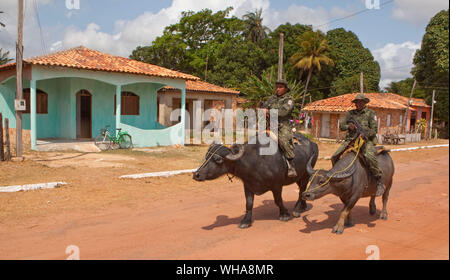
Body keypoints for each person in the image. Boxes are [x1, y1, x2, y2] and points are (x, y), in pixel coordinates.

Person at [331, 93, 385, 196]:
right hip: (351, 139)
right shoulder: (350, 114)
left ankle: (378, 181)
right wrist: (348, 127)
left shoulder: (370, 113)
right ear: (355, 103)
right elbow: (342, 126)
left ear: (365, 103)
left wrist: (365, 134)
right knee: (334, 156)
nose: (359, 104)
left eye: (361, 102)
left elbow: (374, 130)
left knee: (369, 157)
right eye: (357, 102)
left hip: (366, 140)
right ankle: (337, 177)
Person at [261, 79, 297, 177]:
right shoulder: (271, 99)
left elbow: (283, 112)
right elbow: (264, 107)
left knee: (283, 141)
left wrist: (268, 112)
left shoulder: (289, 100)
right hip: (269, 125)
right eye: (277, 87)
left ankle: (291, 165)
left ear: (285, 89)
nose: (278, 89)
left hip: (282, 125)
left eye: (280, 87)